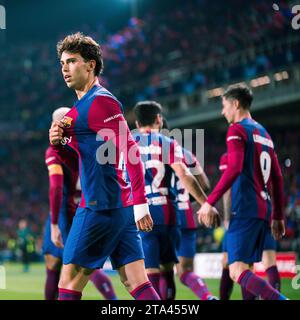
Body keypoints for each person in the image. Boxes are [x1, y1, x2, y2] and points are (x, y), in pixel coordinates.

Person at [49, 32, 160, 300]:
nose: (65, 68)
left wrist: (141, 204)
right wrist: (60, 145)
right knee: (136, 282)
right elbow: (79, 165)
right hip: (117, 206)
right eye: (62, 63)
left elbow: (131, 150)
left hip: (99, 206)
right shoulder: (79, 109)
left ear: (91, 64)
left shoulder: (101, 100)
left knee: (68, 281)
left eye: (72, 61)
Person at [198, 84, 288, 300]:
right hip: (264, 210)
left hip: (245, 208)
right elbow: (277, 178)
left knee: (236, 270)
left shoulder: (237, 130)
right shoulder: (264, 134)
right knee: (247, 266)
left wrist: (209, 202)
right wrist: (277, 215)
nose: (223, 111)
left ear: (235, 104)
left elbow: (234, 168)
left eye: (224, 105)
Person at [133, 101, 219, 300]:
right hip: (174, 213)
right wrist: (205, 203)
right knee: (170, 270)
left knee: (148, 272)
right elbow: (196, 180)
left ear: (137, 123)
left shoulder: (129, 144)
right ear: (159, 119)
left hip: (142, 213)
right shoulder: (174, 147)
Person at [43, 107, 117, 300]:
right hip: (88, 207)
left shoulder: (54, 150)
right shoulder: (85, 145)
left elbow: (56, 187)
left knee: (62, 267)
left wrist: (54, 224)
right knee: (83, 265)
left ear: (55, 125)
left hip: (65, 214)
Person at [218, 153, 281, 300]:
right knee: (267, 261)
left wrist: (227, 217)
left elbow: (227, 189)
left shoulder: (230, 156)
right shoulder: (266, 150)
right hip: (266, 211)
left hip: (242, 214)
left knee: (233, 264)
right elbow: (275, 182)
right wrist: (277, 213)